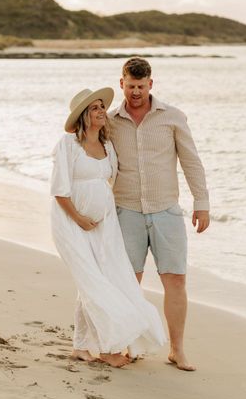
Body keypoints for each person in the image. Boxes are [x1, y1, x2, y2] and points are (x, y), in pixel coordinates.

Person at [50, 87, 168, 368]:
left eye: (102, 106)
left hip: (105, 225)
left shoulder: (107, 146)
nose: (102, 111)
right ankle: (108, 348)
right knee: (93, 283)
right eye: (95, 108)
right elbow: (59, 191)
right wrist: (80, 218)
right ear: (83, 116)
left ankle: (81, 346)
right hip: (71, 223)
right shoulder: (68, 145)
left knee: (98, 281)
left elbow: (110, 183)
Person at [108, 57, 210, 371]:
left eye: (141, 86)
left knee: (175, 279)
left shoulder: (173, 117)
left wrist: (202, 202)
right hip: (126, 211)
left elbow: (191, 161)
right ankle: (128, 345)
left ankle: (177, 350)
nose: (136, 92)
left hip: (166, 211)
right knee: (128, 282)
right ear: (121, 83)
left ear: (150, 84)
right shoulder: (111, 122)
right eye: (130, 86)